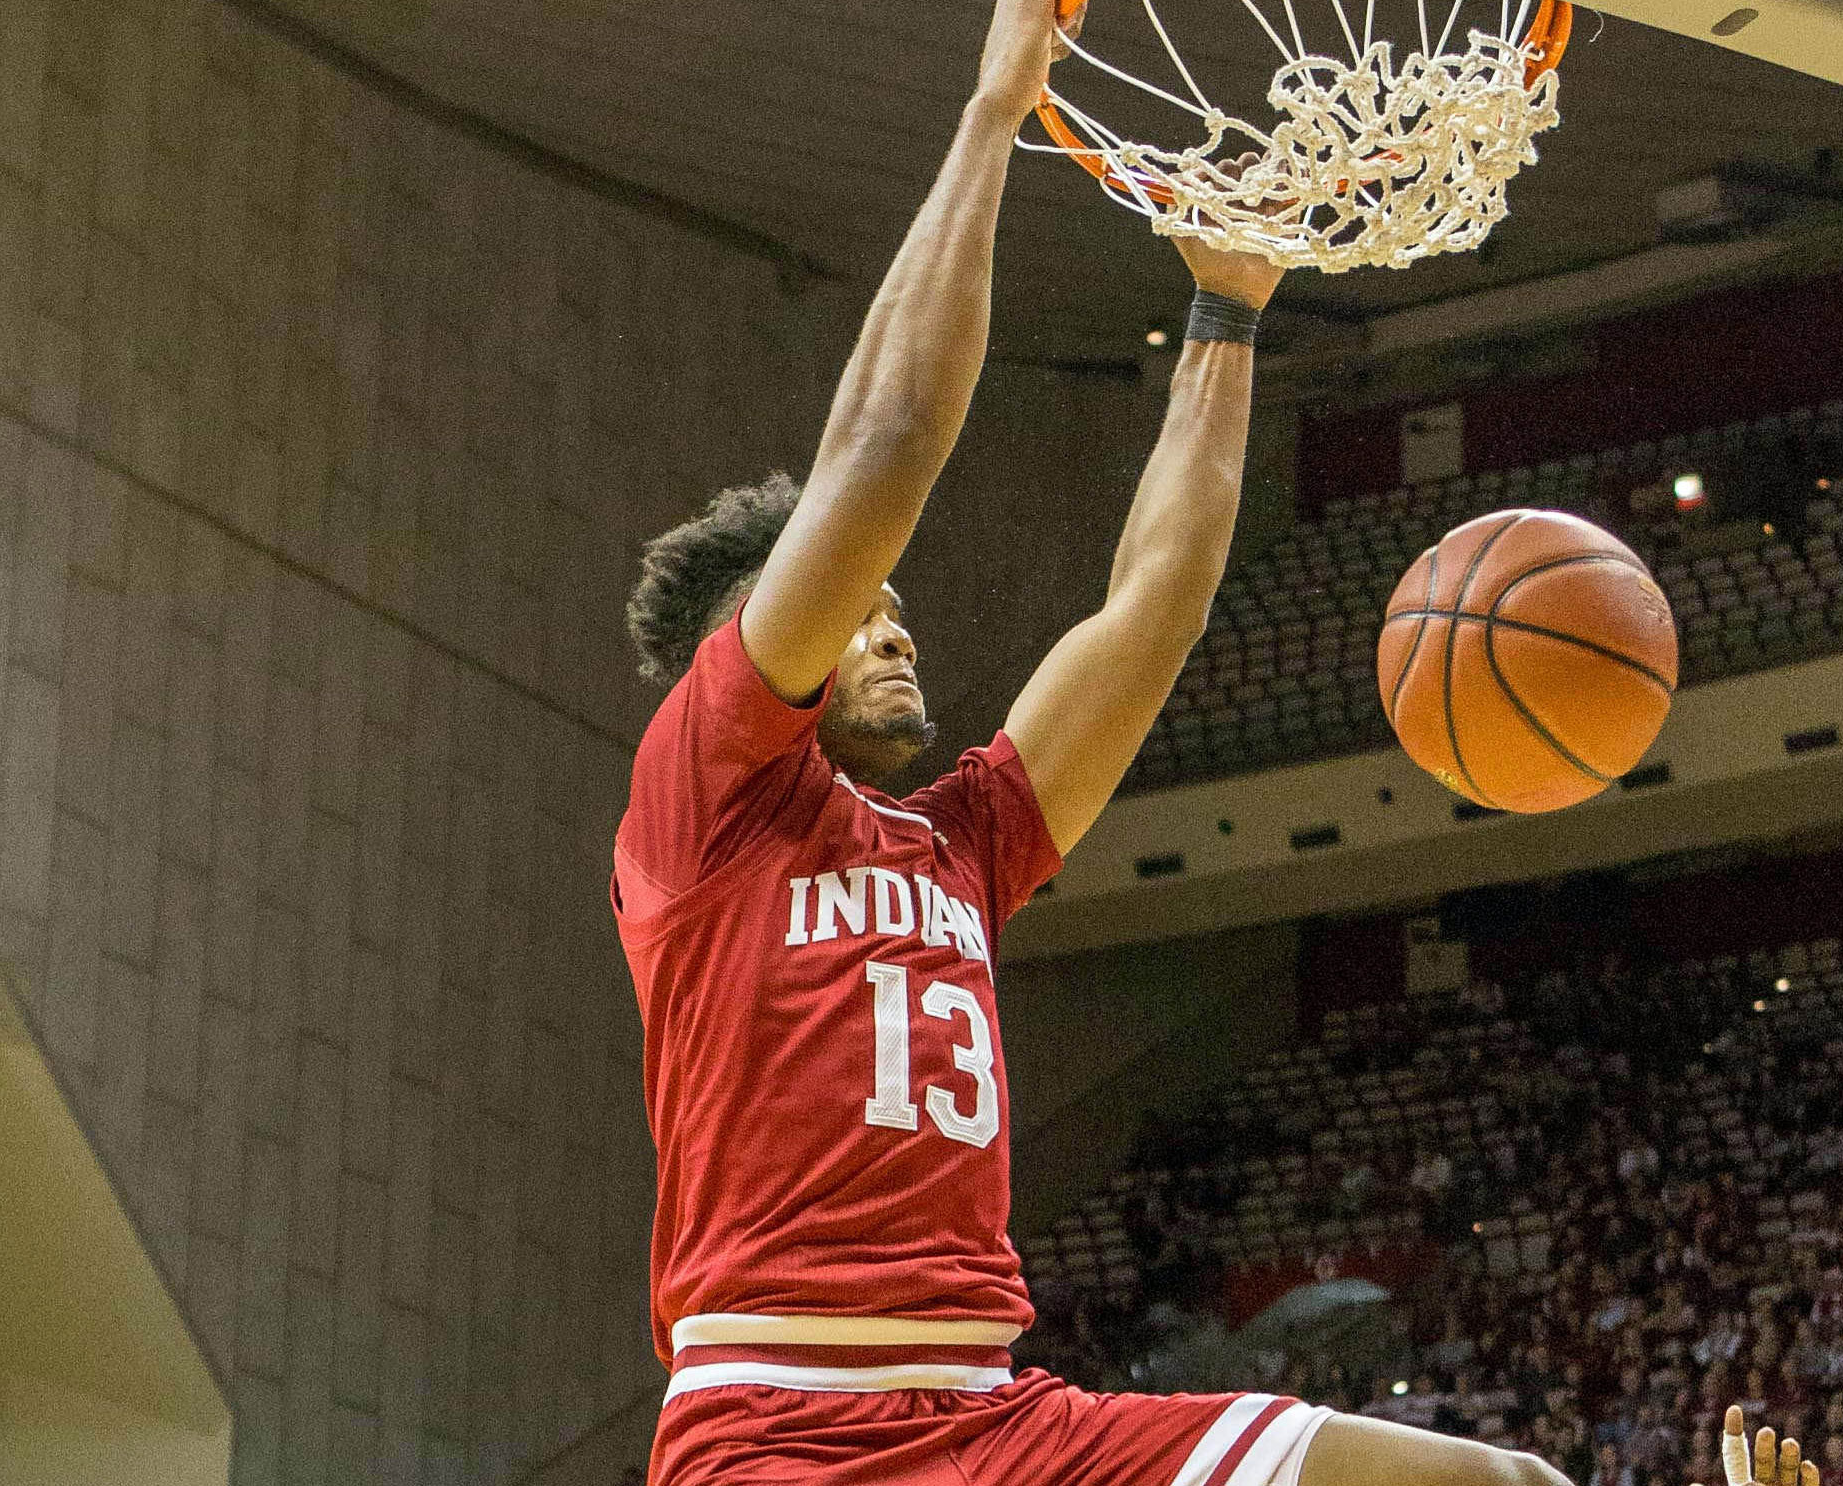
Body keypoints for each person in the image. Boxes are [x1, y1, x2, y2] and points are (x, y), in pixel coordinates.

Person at [610, 3, 1571, 1483]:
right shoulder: (704, 796)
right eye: (848, 603)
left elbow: (1155, 611)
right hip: (772, 1426)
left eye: (896, 603)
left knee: (1505, 1482)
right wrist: (999, 102)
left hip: (1000, 1419)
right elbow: (887, 446)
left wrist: (1230, 309)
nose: (892, 623)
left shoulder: (961, 839)